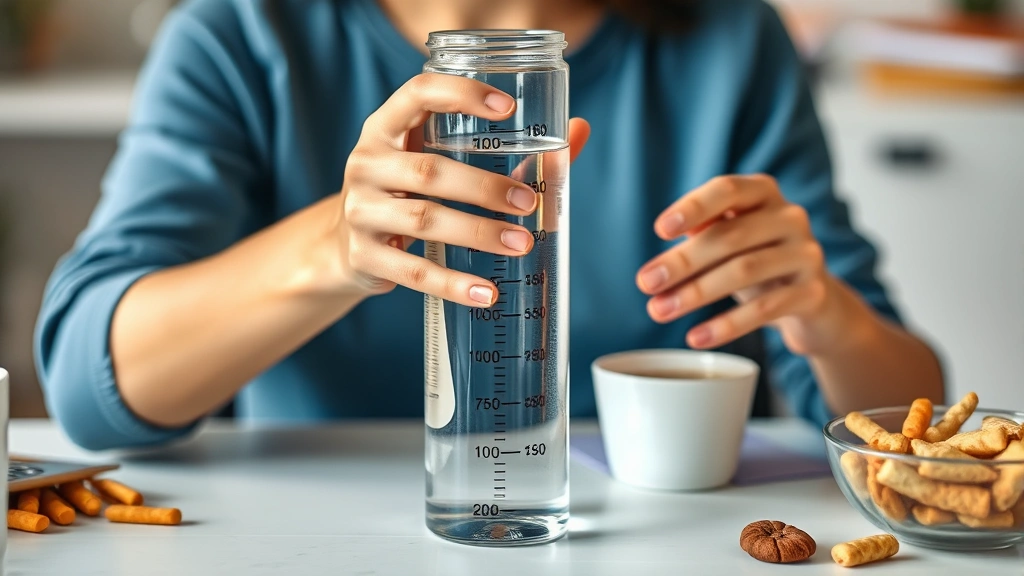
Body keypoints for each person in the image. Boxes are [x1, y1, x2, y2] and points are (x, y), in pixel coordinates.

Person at [35, 0, 944, 450]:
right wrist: (336, 245)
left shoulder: (729, 39)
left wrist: (822, 309)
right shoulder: (244, 32)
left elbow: (910, 414)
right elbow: (87, 381)